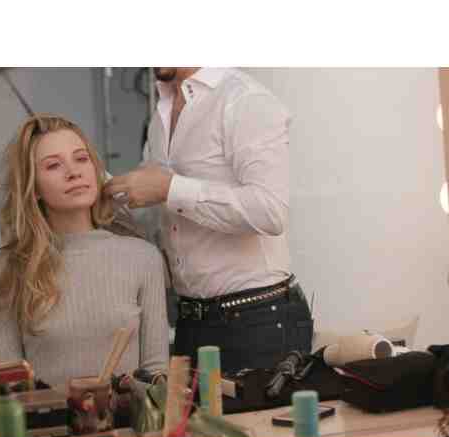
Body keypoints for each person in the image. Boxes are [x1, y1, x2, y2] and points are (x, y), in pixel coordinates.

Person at [104, 68, 313, 374]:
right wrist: (105, 196)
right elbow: (159, 213)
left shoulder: (244, 100)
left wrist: (170, 188)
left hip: (258, 322)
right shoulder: (160, 116)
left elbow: (270, 211)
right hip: (190, 323)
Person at [0, 114, 169, 387]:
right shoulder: (3, 269)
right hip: (44, 415)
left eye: (81, 159)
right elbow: (8, 388)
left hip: (129, 415)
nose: (73, 172)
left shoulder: (143, 257)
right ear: (34, 188)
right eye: (53, 165)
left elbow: (156, 375)